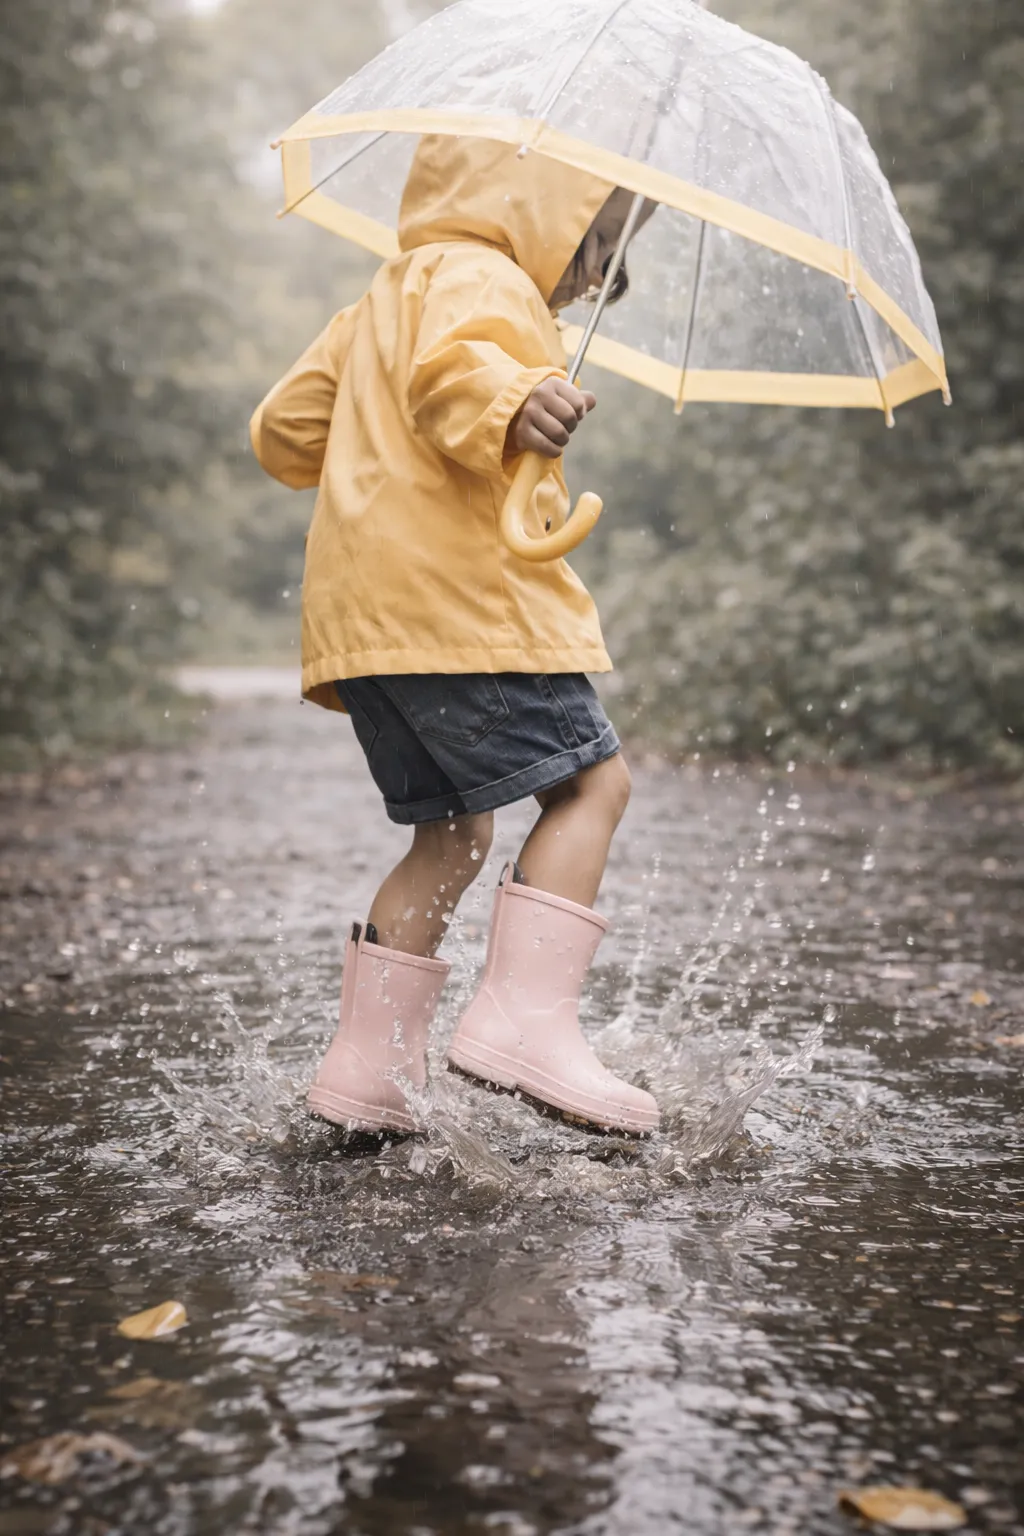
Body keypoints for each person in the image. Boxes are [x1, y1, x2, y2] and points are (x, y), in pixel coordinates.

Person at [250, 134, 658, 1138]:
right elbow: (456, 377)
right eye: (599, 236)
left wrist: (376, 396)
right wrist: (515, 397)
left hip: (368, 628)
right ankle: (522, 1023)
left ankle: (369, 1075)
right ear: (536, 202)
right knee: (591, 784)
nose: (606, 271)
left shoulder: (383, 298)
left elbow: (284, 433)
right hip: (461, 610)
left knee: (453, 832)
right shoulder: (487, 277)